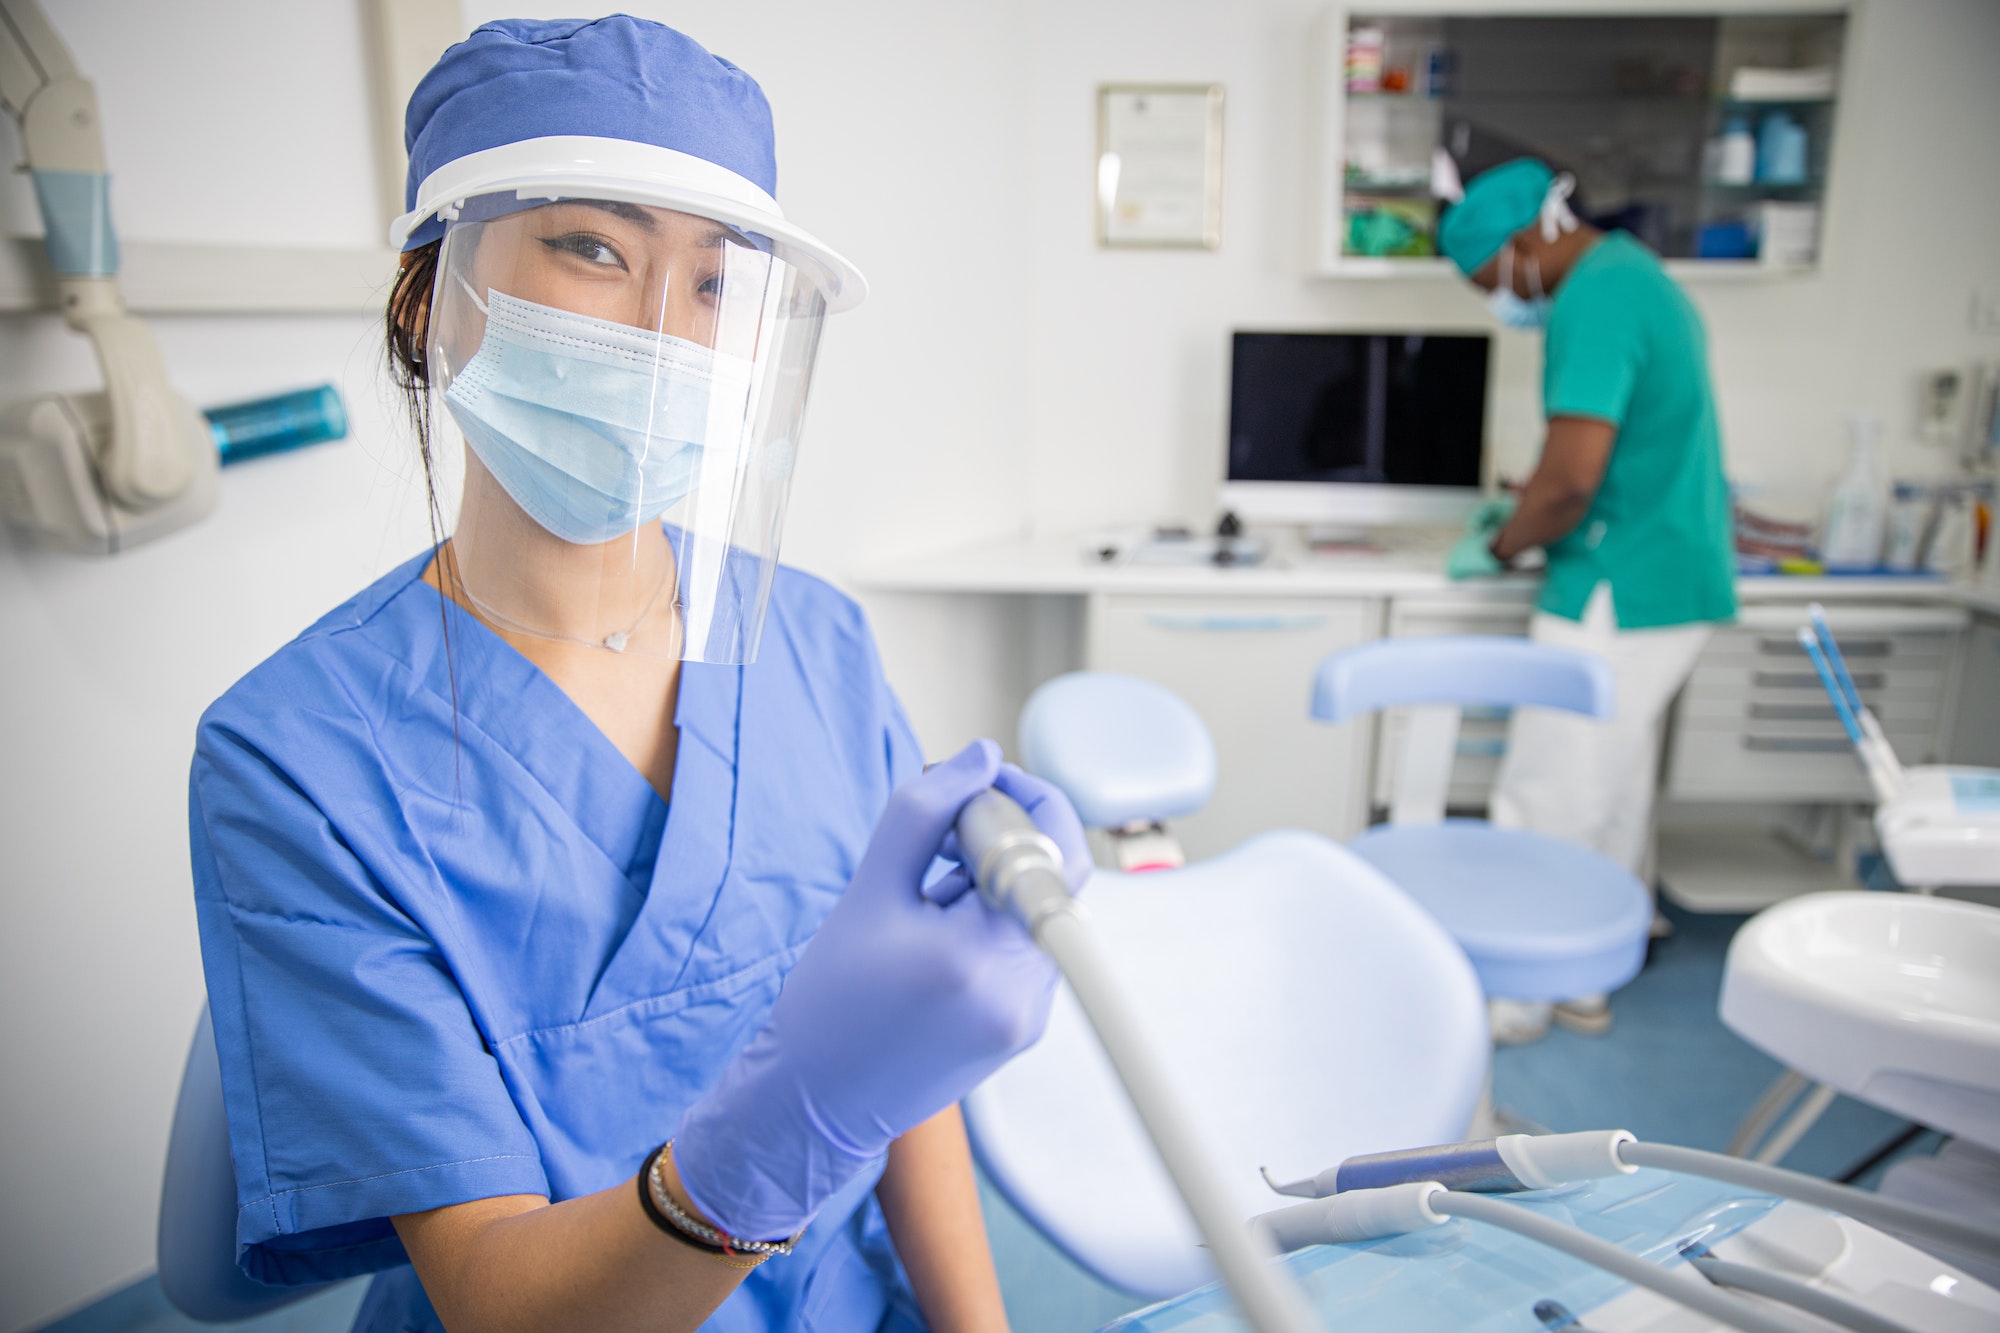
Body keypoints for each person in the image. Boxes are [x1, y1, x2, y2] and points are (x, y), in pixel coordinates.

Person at [187, 18, 1088, 1332]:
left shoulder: (816, 644)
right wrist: (768, 1141)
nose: (668, 332)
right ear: (430, 290)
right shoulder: (296, 760)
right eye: (594, 249)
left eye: (718, 285)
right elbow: (499, 1296)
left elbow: (903, 1078)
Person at [1438, 159, 1736, 1040]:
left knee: (1550, 791)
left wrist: (1499, 542)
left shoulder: (1595, 301)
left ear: (1528, 242)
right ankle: (1587, 979)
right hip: (1667, 577)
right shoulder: (1635, 276)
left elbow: (1570, 482)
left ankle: (1519, 996)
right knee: (1611, 784)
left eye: (1492, 280)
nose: (1501, 300)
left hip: (1619, 581)